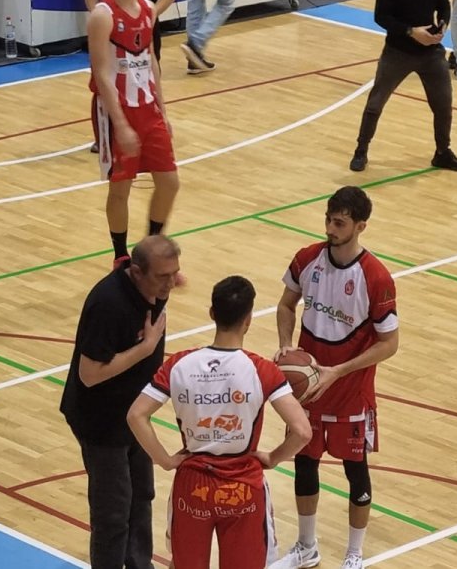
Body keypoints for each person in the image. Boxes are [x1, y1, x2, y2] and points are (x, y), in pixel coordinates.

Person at [128, 276, 313, 569]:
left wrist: (164, 460)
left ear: (212, 314)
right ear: (249, 319)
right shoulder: (262, 369)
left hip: (193, 485)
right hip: (243, 486)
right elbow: (302, 431)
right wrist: (273, 458)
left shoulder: (179, 363)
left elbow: (136, 415)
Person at [271, 186, 399, 569]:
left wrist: (337, 371)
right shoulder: (307, 259)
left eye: (339, 222)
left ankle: (354, 553)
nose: (330, 228)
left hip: (350, 391)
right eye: (328, 219)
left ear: (360, 226)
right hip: (309, 392)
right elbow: (285, 304)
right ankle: (306, 546)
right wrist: (283, 345)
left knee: (354, 470)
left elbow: (389, 343)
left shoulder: (376, 277)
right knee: (304, 464)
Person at [59, 234, 181, 569]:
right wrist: (145, 348)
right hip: (102, 421)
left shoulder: (154, 286)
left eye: (175, 274)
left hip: (133, 415)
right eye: (163, 276)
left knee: (141, 498)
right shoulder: (108, 303)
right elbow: (89, 374)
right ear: (137, 272)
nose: (171, 283)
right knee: (113, 514)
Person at [348, 0, 457, 174]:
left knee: (444, 106)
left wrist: (442, 27)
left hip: (431, 53)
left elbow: (444, 7)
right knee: (375, 104)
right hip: (398, 52)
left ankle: (442, 152)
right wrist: (412, 32)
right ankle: (361, 150)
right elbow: (381, 17)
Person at [88, 0, 180, 266]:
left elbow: (151, 59)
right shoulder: (103, 14)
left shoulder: (148, 8)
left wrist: (163, 110)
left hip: (147, 107)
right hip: (117, 111)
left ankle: (152, 244)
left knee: (169, 182)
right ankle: (120, 255)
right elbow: (100, 72)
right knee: (121, 187)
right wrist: (121, 124)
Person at [86, 0, 178, 153]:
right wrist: (98, 16)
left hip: (143, 31)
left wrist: (150, 15)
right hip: (111, 33)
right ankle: (103, 135)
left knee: (147, 77)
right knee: (102, 83)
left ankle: (150, 126)